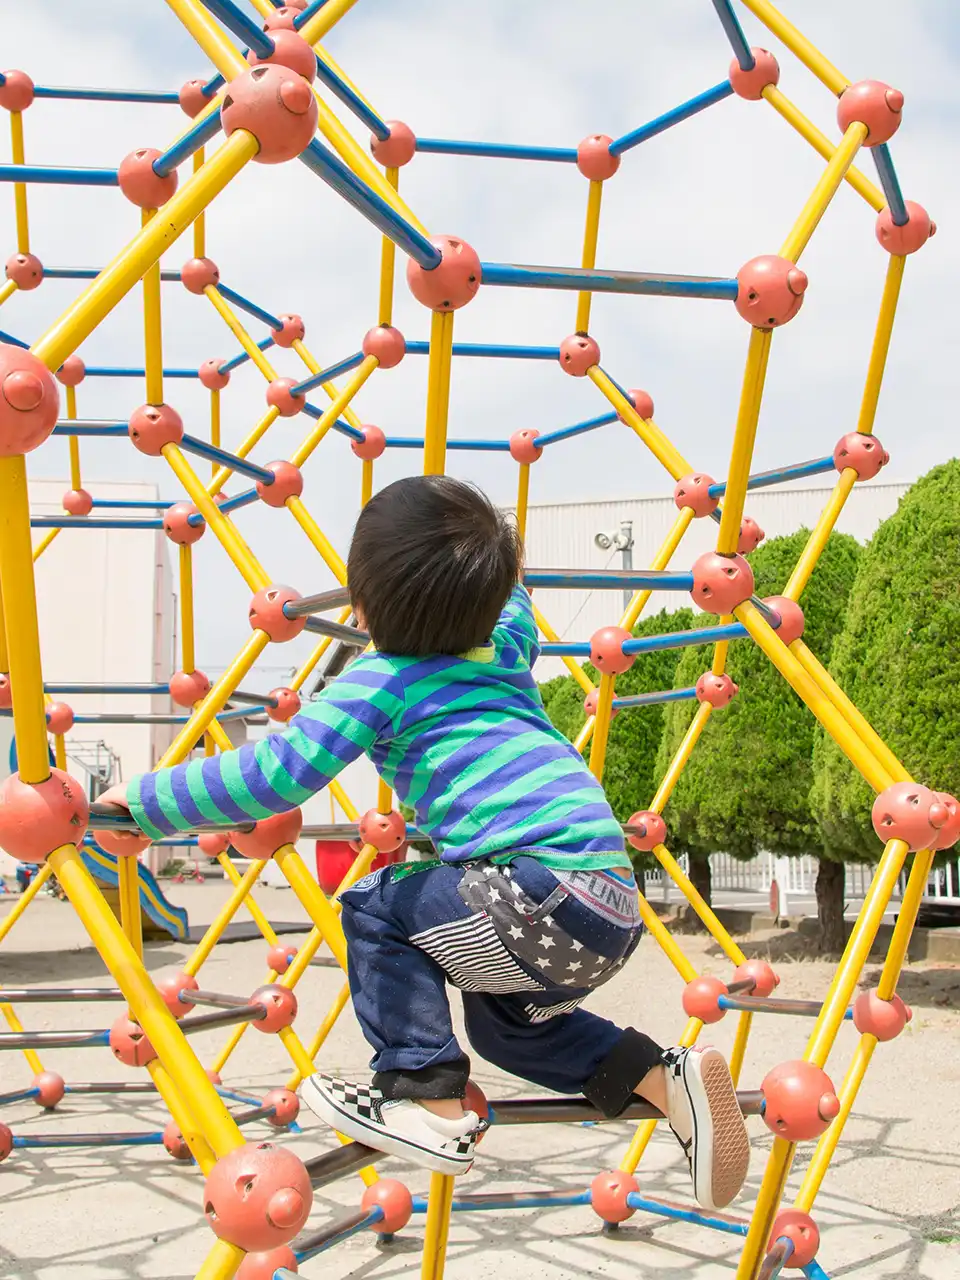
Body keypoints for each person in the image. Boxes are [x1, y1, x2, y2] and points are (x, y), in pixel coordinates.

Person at [99, 476, 749, 1210]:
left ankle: (422, 1095)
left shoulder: (380, 681)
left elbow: (272, 776)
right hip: (607, 903)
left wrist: (145, 804)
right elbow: (514, 595)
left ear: (364, 607)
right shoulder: (506, 649)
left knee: (377, 905)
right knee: (510, 1033)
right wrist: (485, 553)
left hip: (537, 896)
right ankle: (667, 1078)